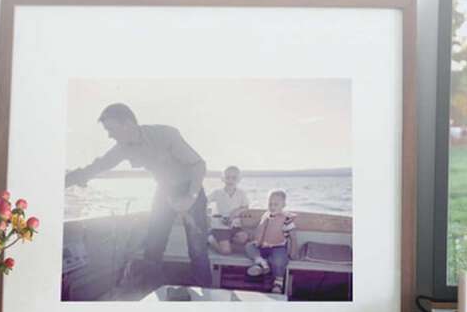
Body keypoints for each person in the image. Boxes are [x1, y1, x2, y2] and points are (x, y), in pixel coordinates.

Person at [64, 102, 211, 287]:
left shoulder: (166, 134)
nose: (109, 135)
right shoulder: (123, 147)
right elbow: (99, 165)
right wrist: (67, 180)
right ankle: (151, 290)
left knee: (197, 249)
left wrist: (190, 197)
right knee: (153, 247)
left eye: (111, 129)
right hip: (164, 190)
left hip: (190, 188)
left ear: (127, 124)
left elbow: (198, 165)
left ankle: (205, 292)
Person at [244, 189, 296, 295]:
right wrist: (254, 239)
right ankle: (261, 263)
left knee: (279, 261)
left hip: (278, 247)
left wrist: (294, 252)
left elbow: (293, 237)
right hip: (262, 246)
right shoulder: (266, 216)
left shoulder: (286, 219)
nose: (272, 207)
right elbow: (260, 231)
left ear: (283, 205)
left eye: (276, 204)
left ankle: (278, 283)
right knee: (249, 246)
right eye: (270, 204)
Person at [207, 165, 251, 255]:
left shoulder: (241, 193)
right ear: (222, 179)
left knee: (243, 238)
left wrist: (235, 212)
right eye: (227, 177)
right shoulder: (217, 192)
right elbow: (204, 202)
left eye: (234, 178)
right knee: (225, 251)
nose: (230, 180)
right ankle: (210, 239)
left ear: (239, 179)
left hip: (235, 226)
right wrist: (207, 214)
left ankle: (226, 242)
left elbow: (246, 207)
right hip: (220, 227)